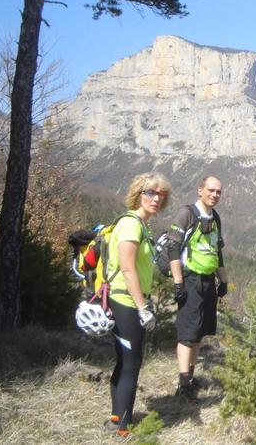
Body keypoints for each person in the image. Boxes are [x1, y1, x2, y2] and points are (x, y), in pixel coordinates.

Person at [103, 172, 172, 437]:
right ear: (137, 194)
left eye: (160, 194)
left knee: (124, 362)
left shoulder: (142, 225)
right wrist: (143, 308)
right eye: (150, 193)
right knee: (131, 364)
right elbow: (128, 269)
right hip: (126, 302)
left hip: (128, 300)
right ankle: (122, 429)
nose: (156, 198)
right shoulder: (131, 225)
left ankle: (116, 418)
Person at [165, 176, 228, 398]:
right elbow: (173, 248)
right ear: (200, 190)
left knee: (200, 333)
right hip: (190, 280)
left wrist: (224, 280)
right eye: (211, 190)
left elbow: (216, 251)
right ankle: (183, 384)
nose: (215, 195)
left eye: (218, 192)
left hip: (209, 281)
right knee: (187, 334)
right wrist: (178, 283)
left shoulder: (215, 218)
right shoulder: (187, 213)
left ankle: (190, 377)